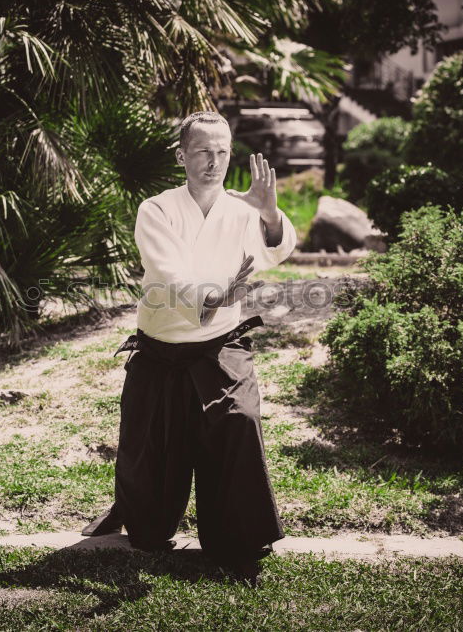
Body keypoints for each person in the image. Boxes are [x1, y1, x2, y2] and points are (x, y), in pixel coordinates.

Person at [82, 110, 297, 586]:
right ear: (182, 156)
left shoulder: (242, 211)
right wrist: (214, 298)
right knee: (152, 499)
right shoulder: (156, 209)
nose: (213, 161)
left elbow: (277, 248)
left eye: (222, 152)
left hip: (221, 345)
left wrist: (268, 213)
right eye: (203, 151)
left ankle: (237, 539)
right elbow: (170, 276)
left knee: (239, 420)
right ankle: (143, 515)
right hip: (161, 348)